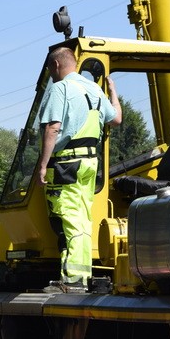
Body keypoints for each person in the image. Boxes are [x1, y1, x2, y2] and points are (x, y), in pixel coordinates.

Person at [35, 47, 121, 292]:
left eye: (51, 70)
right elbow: (115, 119)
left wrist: (43, 165)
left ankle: (73, 280)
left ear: (56, 66)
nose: (52, 75)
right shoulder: (94, 89)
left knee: (68, 220)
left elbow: (52, 127)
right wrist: (113, 93)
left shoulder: (60, 88)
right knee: (82, 219)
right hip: (89, 163)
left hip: (67, 164)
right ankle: (77, 277)